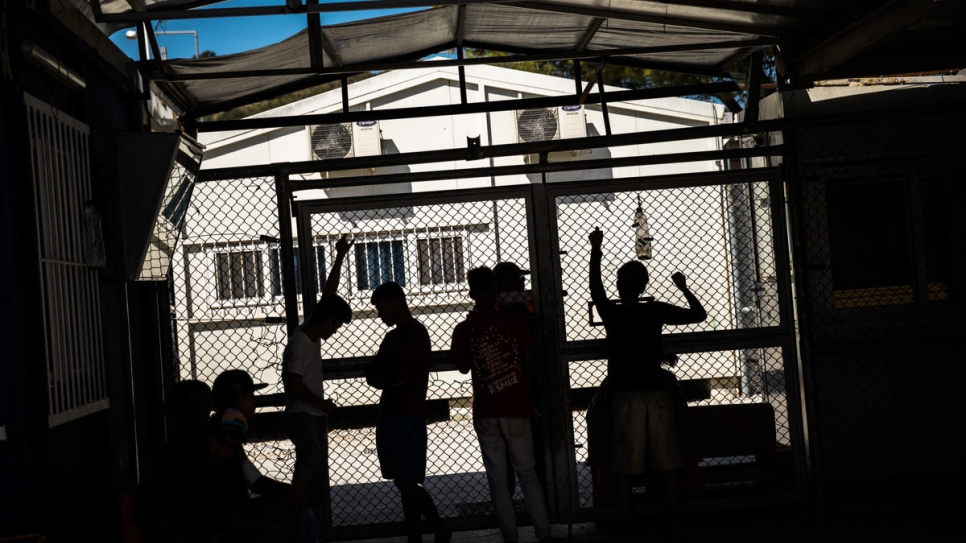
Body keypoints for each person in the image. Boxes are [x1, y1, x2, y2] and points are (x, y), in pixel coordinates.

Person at [586, 227, 707, 542]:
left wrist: (596, 249)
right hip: (656, 392)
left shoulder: (612, 314)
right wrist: (683, 287)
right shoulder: (655, 311)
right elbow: (699, 315)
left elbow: (596, 288)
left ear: (618, 286)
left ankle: (626, 527)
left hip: (625, 394)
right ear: (644, 286)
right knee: (668, 463)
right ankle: (675, 523)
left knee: (625, 466)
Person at [451, 267, 552, 543]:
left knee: (497, 479)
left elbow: (462, 366)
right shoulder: (514, 322)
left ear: (471, 292)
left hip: (487, 408)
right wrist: (523, 391)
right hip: (516, 405)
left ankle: (510, 535)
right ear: (495, 291)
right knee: (527, 474)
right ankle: (543, 532)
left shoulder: (465, 329)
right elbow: (529, 363)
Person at [364, 281, 451, 543]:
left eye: (381, 307)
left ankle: (438, 528)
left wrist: (386, 376)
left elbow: (387, 375)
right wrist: (388, 377)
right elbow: (380, 375)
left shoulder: (409, 335)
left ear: (395, 303)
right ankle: (418, 534)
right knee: (406, 482)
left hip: (404, 415)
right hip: (399, 415)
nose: (380, 314)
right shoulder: (401, 335)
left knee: (406, 482)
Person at [281, 235, 353, 531]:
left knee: (313, 471)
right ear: (327, 320)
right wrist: (323, 405)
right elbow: (295, 386)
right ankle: (299, 518)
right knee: (309, 466)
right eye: (335, 325)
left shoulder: (312, 328)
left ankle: (308, 520)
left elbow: (330, 292)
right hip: (303, 415)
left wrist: (340, 256)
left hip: (310, 416)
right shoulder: (300, 343)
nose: (335, 331)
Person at [155, 407, 290, 543]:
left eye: (230, 447)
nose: (222, 451)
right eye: (219, 441)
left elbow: (237, 508)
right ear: (206, 432)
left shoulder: (230, 462)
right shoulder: (180, 461)